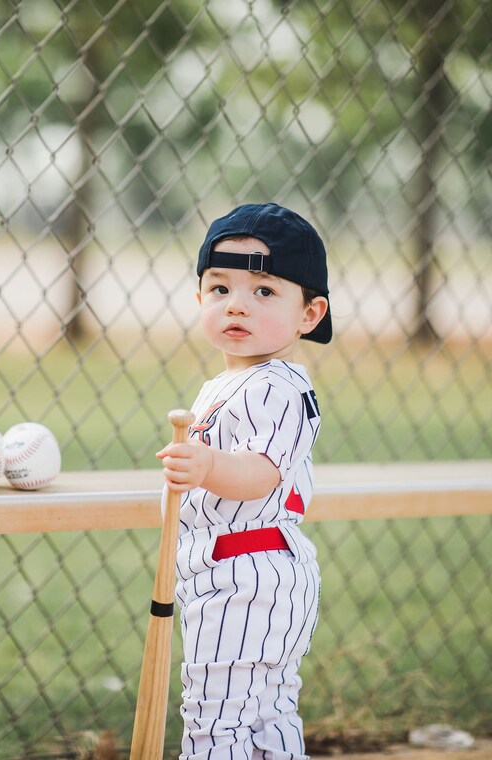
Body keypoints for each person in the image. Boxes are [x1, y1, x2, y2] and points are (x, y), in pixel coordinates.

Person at [156, 202, 330, 760]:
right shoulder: (237, 382)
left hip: (245, 576)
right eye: (219, 288)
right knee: (265, 713)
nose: (237, 304)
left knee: (215, 721)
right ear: (200, 297)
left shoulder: (274, 386)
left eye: (264, 291)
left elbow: (260, 473)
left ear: (309, 313)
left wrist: (206, 468)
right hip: (244, 570)